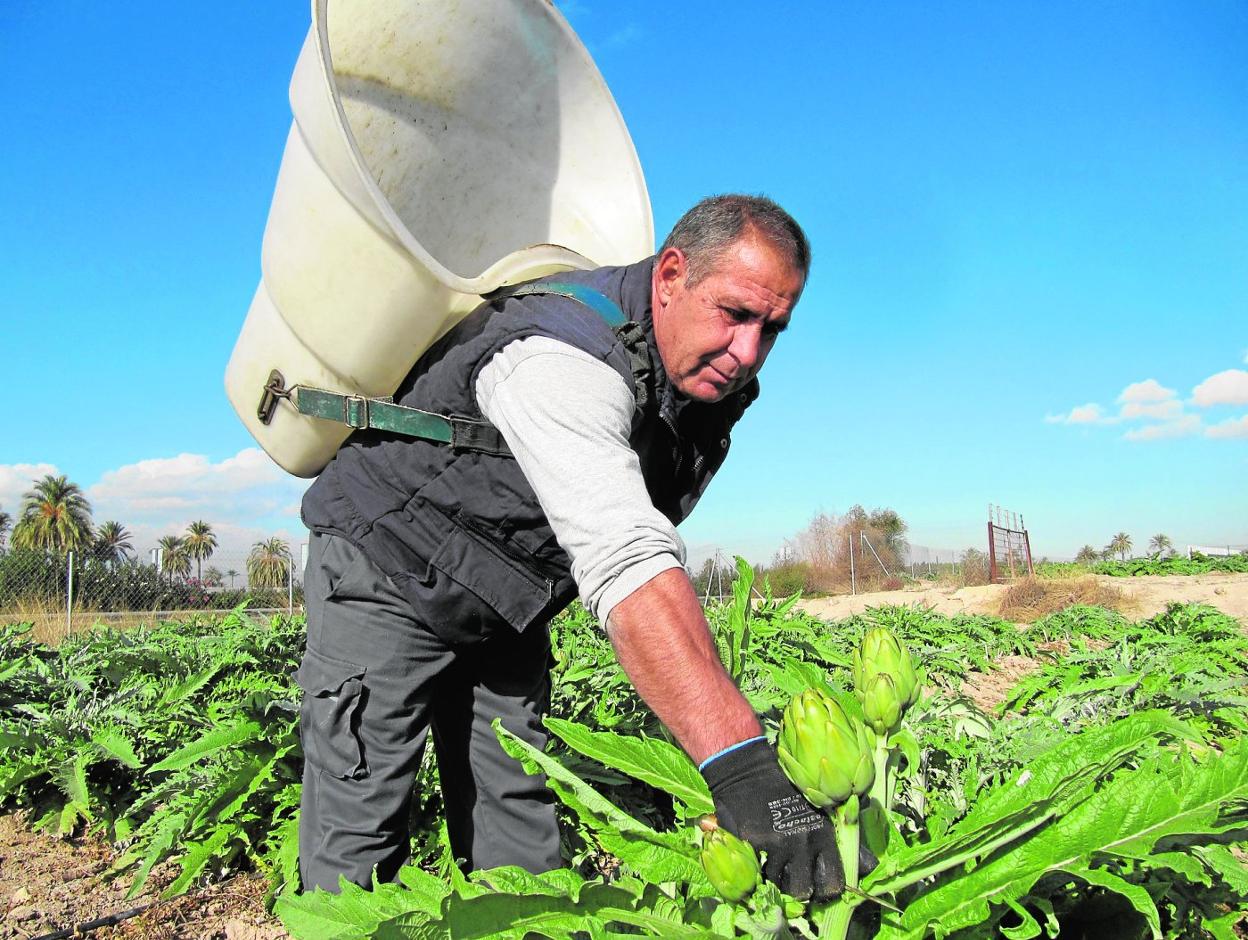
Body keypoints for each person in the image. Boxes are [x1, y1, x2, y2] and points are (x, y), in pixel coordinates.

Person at [296, 194, 850, 901]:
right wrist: (742, 767)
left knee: (519, 822)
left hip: (502, 595)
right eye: (735, 313)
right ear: (671, 275)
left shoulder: (699, 385)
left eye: (772, 328)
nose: (748, 353)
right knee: (359, 839)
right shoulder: (557, 356)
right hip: (389, 564)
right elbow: (626, 557)